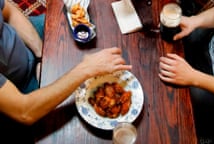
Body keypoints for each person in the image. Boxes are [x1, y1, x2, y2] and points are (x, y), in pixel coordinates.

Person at [0, 0, 132, 125]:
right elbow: (24, 111)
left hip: (26, 38)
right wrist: (85, 69)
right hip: (21, 87)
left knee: (81, 22)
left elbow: (9, 12)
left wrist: (41, 54)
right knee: (77, 104)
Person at [159, 0, 214, 143]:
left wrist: (193, 77)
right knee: (170, 41)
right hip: (213, 46)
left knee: (172, 96)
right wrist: (194, 21)